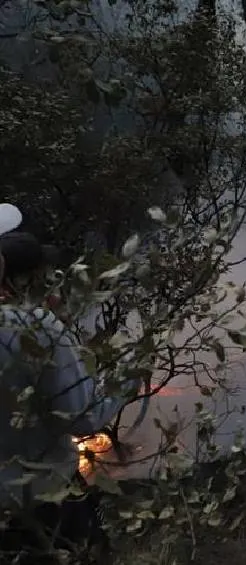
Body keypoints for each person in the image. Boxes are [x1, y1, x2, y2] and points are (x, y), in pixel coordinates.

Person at [0, 222, 134, 560]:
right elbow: (82, 418)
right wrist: (127, 378)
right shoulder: (35, 326)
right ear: (22, 280)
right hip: (45, 501)